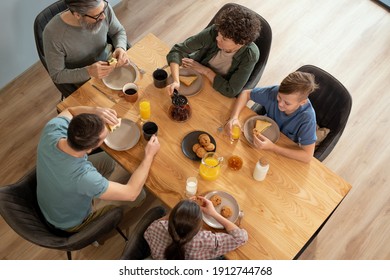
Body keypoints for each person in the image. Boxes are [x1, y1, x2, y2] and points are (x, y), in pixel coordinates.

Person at [36, 106, 160, 232]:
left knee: (112, 161)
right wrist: (149, 155)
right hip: (68, 220)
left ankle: (100, 190)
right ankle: (97, 233)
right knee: (140, 195)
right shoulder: (83, 177)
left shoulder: (53, 129)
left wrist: (95, 111)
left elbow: (69, 111)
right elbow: (131, 193)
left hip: (52, 197)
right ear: (90, 149)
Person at [166, 5, 261, 98]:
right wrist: (176, 81)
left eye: (224, 39)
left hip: (216, 85)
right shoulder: (215, 31)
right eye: (219, 34)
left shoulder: (250, 55)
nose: (217, 38)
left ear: (240, 43)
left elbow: (231, 90)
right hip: (194, 72)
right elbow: (177, 51)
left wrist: (206, 71)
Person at [225, 71, 319, 163]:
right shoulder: (273, 92)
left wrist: (273, 148)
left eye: (287, 103)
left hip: (283, 151)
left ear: (302, 102)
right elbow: (246, 94)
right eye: (279, 97)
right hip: (260, 142)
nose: (280, 104)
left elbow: (307, 156)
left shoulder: (307, 119)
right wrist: (234, 117)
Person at [43, 0, 129, 97]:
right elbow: (57, 75)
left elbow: (118, 31)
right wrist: (88, 72)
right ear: (77, 15)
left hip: (112, 65)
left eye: (103, 9)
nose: (103, 16)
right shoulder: (53, 34)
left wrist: (120, 47)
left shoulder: (102, 9)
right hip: (85, 80)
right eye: (97, 16)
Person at [144, 197, 248, 260]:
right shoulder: (204, 240)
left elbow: (148, 232)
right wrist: (214, 214)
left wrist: (179, 210)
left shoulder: (157, 227)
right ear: (199, 228)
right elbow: (240, 237)